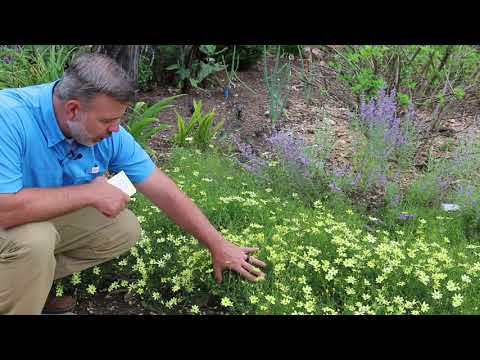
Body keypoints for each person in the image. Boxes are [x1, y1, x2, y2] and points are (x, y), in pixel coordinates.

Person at [0, 53, 266, 315]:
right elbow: (5, 210)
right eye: (107, 120)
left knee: (122, 228)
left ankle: (26, 285)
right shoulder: (10, 118)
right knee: (35, 241)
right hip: (9, 220)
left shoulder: (108, 133)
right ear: (72, 109)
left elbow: (163, 190)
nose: (116, 129)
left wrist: (217, 244)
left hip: (25, 224)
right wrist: (87, 193)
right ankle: (22, 291)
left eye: (119, 119)